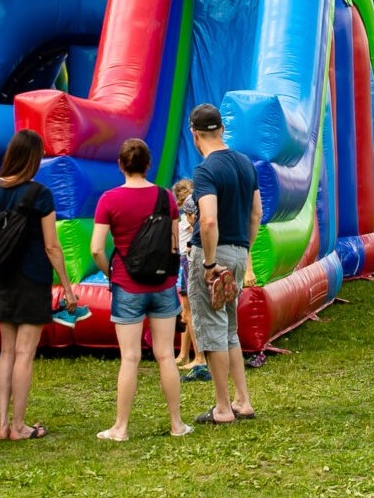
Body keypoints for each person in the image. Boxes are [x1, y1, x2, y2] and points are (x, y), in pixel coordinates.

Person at [89, 139, 189, 441]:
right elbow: (173, 243)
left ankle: (120, 427)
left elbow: (96, 249)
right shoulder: (165, 197)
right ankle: (176, 424)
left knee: (130, 357)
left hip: (127, 286)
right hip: (162, 285)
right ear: (148, 164)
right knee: (165, 356)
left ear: (121, 165)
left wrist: (112, 271)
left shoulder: (109, 200)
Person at [0, 129, 77, 440]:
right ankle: (19, 425)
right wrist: (66, 285)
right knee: (25, 353)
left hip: (2, 279)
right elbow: (52, 246)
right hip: (32, 278)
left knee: (7, 351)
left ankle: (1, 424)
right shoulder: (41, 194)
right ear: (33, 159)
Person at [186, 103, 261, 425]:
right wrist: (244, 250)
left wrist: (208, 262)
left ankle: (222, 408)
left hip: (214, 257)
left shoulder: (206, 170)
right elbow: (256, 213)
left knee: (212, 331)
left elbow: (208, 220)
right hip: (239, 252)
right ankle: (242, 400)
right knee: (229, 328)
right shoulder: (245, 164)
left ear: (194, 134)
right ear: (222, 130)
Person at [172, 179, 206, 378]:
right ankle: (184, 353)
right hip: (185, 260)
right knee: (186, 312)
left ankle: (199, 356)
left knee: (190, 311)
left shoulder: (191, 220)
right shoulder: (186, 219)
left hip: (189, 260)